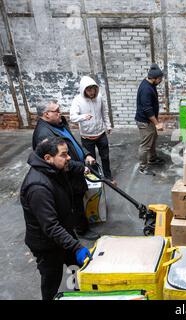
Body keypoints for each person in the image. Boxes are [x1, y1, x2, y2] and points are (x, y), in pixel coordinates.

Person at [20, 137, 92, 300]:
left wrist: (83, 167)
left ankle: (78, 293)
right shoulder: (38, 187)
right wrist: (76, 246)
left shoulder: (55, 168)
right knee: (52, 279)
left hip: (64, 234)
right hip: (46, 245)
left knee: (75, 268)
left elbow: (71, 165)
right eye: (64, 155)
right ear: (48, 158)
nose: (68, 158)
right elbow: (51, 226)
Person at [32, 100, 99, 240]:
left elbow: (72, 141)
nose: (60, 112)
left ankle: (80, 224)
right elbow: (58, 160)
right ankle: (81, 229)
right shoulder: (44, 135)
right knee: (75, 202)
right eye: (56, 110)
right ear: (46, 114)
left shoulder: (58, 124)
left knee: (79, 198)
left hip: (75, 168)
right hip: (67, 174)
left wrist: (86, 153)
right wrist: (81, 167)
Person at [70, 76, 116, 186]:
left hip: (101, 134)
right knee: (91, 160)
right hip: (87, 137)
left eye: (93, 89)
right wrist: (83, 117)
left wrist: (108, 125)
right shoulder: (78, 100)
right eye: (89, 90)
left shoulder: (99, 97)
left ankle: (108, 177)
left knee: (105, 157)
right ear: (83, 89)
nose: (92, 92)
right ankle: (97, 178)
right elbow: (72, 117)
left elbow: (104, 112)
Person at [135, 63, 165, 175]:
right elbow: (147, 109)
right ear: (154, 78)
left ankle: (152, 159)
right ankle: (142, 167)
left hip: (149, 120)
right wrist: (157, 123)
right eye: (160, 79)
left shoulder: (150, 84)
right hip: (145, 122)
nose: (161, 80)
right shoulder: (146, 89)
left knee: (153, 138)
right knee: (145, 144)